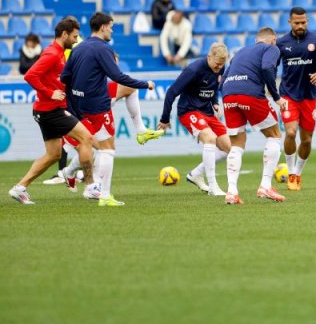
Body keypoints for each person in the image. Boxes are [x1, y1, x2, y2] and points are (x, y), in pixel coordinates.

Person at [60, 12, 155, 207]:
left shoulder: (79, 48)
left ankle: (81, 180)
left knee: (92, 146)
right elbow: (118, 76)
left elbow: (65, 78)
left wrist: (72, 103)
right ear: (103, 27)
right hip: (97, 107)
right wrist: (145, 84)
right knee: (108, 150)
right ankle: (104, 195)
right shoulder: (103, 49)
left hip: (80, 107)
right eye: (111, 26)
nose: (112, 30)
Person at [8, 17, 95, 205]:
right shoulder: (53, 54)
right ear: (64, 34)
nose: (75, 40)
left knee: (54, 155)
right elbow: (30, 75)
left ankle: (19, 188)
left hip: (45, 111)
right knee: (86, 138)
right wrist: (50, 93)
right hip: (51, 111)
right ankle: (90, 187)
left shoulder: (59, 52)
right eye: (74, 36)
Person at [221, 27, 289, 204]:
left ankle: (231, 192)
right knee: (274, 135)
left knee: (236, 144)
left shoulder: (241, 51)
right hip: (249, 93)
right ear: (273, 40)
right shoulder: (272, 48)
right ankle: (265, 186)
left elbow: (224, 76)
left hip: (228, 94)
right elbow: (267, 67)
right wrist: (276, 97)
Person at [158, 43, 230, 197]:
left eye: (222, 65)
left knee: (227, 148)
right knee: (210, 138)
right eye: (217, 64)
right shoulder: (193, 70)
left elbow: (214, 87)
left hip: (207, 112)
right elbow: (171, 92)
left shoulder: (220, 67)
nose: (219, 68)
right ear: (209, 57)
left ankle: (196, 174)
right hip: (189, 110)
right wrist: (165, 118)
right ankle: (213, 187)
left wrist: (215, 103)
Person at [277, 7, 316, 191]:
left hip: (309, 97)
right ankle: (290, 172)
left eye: (303, 22)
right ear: (290, 22)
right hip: (288, 95)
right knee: (291, 133)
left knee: (307, 140)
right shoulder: (281, 42)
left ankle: (298, 173)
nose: (300, 25)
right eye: (296, 23)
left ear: (307, 21)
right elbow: (270, 66)